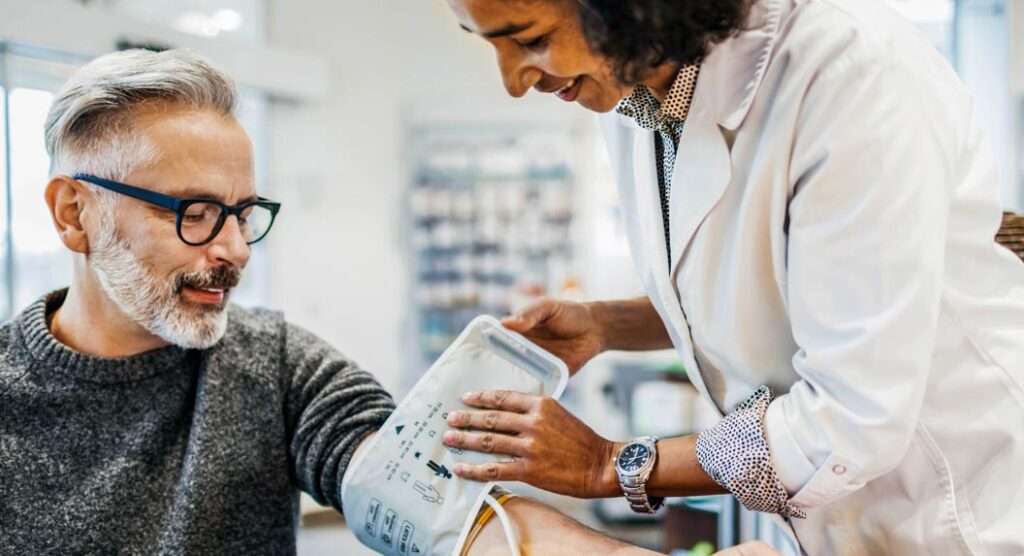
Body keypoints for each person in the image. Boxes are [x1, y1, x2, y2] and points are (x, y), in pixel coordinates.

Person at [442, 0, 1024, 553]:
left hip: (972, 515)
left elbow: (850, 420)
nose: (515, 82)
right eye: (487, 44)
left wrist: (611, 464)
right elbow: (761, 290)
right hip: (848, 523)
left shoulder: (852, 76)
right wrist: (606, 325)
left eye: (531, 39)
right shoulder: (634, 91)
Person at [0, 49, 395, 554]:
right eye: (195, 212)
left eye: (243, 214)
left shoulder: (278, 369)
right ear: (75, 214)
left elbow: (404, 482)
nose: (235, 250)